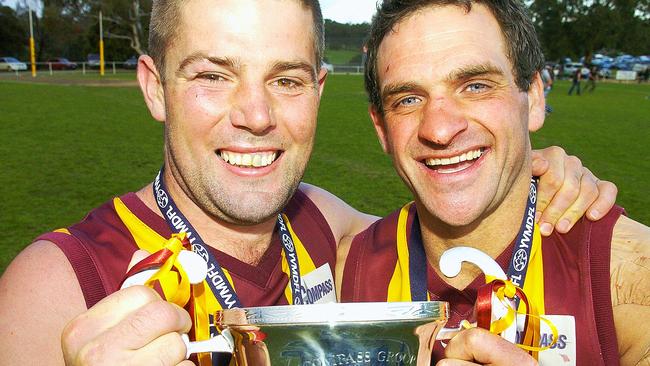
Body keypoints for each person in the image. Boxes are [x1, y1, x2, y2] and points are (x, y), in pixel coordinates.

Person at [0, 0, 618, 365]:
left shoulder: (329, 227)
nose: (257, 115)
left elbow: (458, 215)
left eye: (286, 80)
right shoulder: (55, 287)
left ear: (319, 91)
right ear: (154, 86)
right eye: (214, 76)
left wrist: (536, 166)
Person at [338, 1, 649, 365]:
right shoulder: (347, 274)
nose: (439, 129)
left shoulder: (630, 276)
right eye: (408, 99)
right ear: (382, 130)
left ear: (533, 98)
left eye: (475, 86)